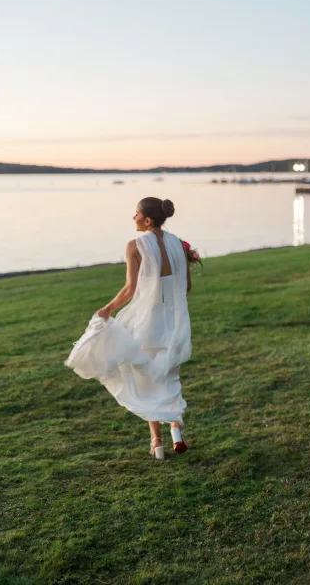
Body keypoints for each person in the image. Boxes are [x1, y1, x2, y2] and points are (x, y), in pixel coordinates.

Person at [65, 197, 192, 460]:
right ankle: (176, 430)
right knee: (169, 377)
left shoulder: (135, 246)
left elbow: (130, 290)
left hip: (147, 321)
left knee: (146, 382)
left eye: (135, 214)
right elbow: (185, 287)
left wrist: (108, 309)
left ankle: (156, 442)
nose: (132, 218)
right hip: (175, 322)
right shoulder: (178, 244)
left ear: (147, 220)